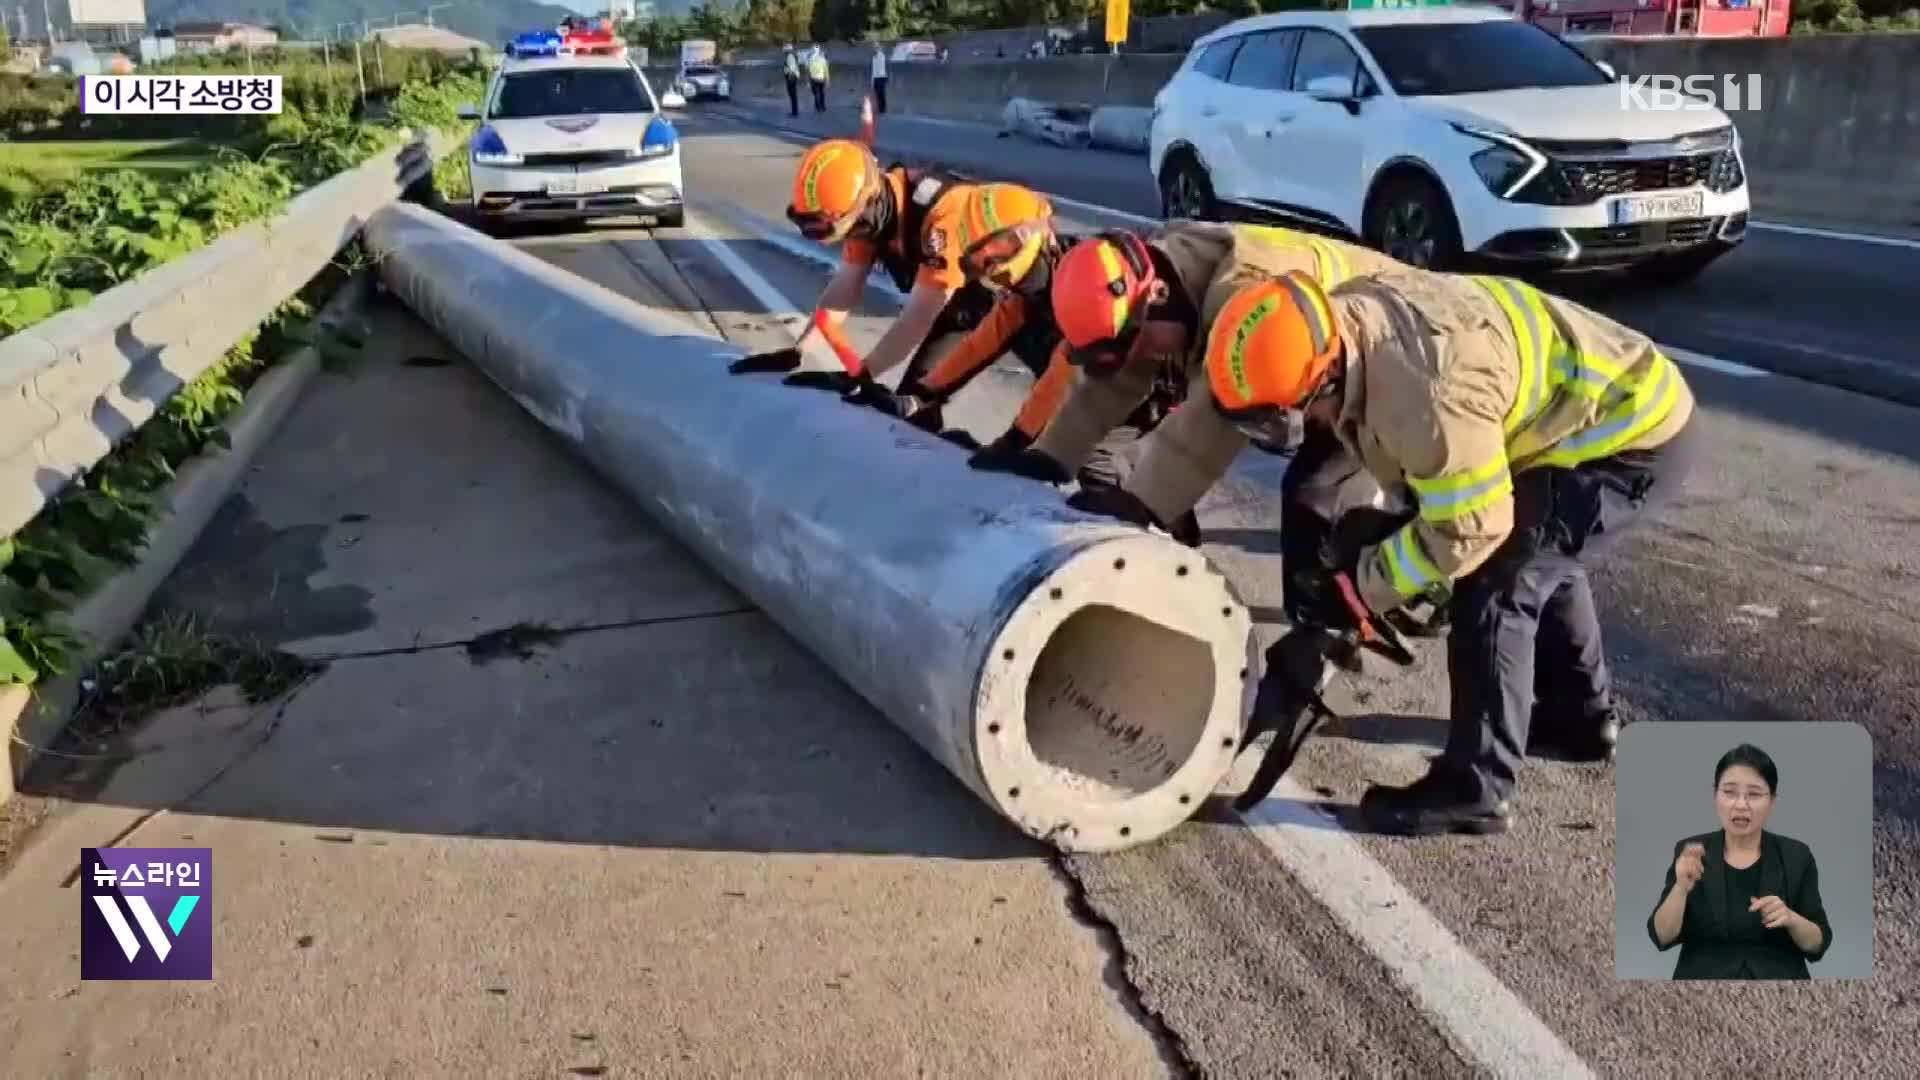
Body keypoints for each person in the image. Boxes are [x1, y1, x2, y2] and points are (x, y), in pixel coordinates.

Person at [1195, 266, 1701, 835]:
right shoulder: (1347, 321)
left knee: (1497, 587)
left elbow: (1470, 527)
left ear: (1325, 376)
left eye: (1287, 414)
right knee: (1544, 555)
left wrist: (1362, 588)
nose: (1298, 428)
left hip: (1630, 436)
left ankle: (1476, 789)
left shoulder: (1425, 391)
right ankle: (1579, 719)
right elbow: (1421, 466)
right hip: (1574, 416)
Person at [971, 223, 1406, 538]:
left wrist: (1141, 501)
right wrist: (1051, 454)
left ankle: (1332, 629)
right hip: (1316, 361)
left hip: (1385, 353)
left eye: (1137, 344)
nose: (1139, 357)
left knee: (1315, 496)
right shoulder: (1158, 276)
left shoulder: (1242, 293)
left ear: (1155, 297)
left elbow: (1213, 416)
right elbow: (1120, 374)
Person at [724, 140, 1053, 402]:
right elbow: (846, 284)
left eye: (847, 228)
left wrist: (862, 374)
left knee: (1057, 395)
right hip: (954, 308)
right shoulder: (872, 218)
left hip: (1009, 306)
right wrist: (798, 350)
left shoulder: (942, 220)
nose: (848, 239)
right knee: (914, 402)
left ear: (866, 209)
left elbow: (919, 316)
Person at [1647, 744, 1833, 979]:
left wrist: (1791, 918)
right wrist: (1681, 888)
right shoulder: (1693, 851)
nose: (1741, 805)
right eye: (1729, 792)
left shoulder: (1796, 855)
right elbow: (1662, 936)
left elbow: (1818, 944)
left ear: (1772, 800)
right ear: (1716, 795)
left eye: (1754, 794)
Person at [807, 44, 830, 112]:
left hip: (814, 79)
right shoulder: (823, 59)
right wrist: (828, 80)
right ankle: (823, 107)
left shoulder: (811, 60)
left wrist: (808, 81)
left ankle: (818, 107)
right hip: (822, 78)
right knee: (822, 92)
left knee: (816, 93)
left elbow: (809, 71)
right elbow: (826, 70)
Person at [782, 44, 802, 117]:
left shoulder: (790, 57)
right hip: (793, 77)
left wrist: (789, 74)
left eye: (784, 50)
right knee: (793, 95)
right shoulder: (792, 55)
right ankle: (794, 111)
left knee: (792, 95)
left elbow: (792, 67)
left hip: (791, 77)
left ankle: (794, 112)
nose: (783, 51)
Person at [870, 42, 889, 114]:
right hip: (876, 77)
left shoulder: (881, 55)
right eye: (874, 48)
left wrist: (879, 49)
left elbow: (880, 54)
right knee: (877, 94)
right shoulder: (874, 57)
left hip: (881, 77)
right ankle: (880, 108)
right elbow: (873, 69)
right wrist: (872, 81)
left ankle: (883, 109)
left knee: (882, 93)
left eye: (876, 47)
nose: (874, 49)